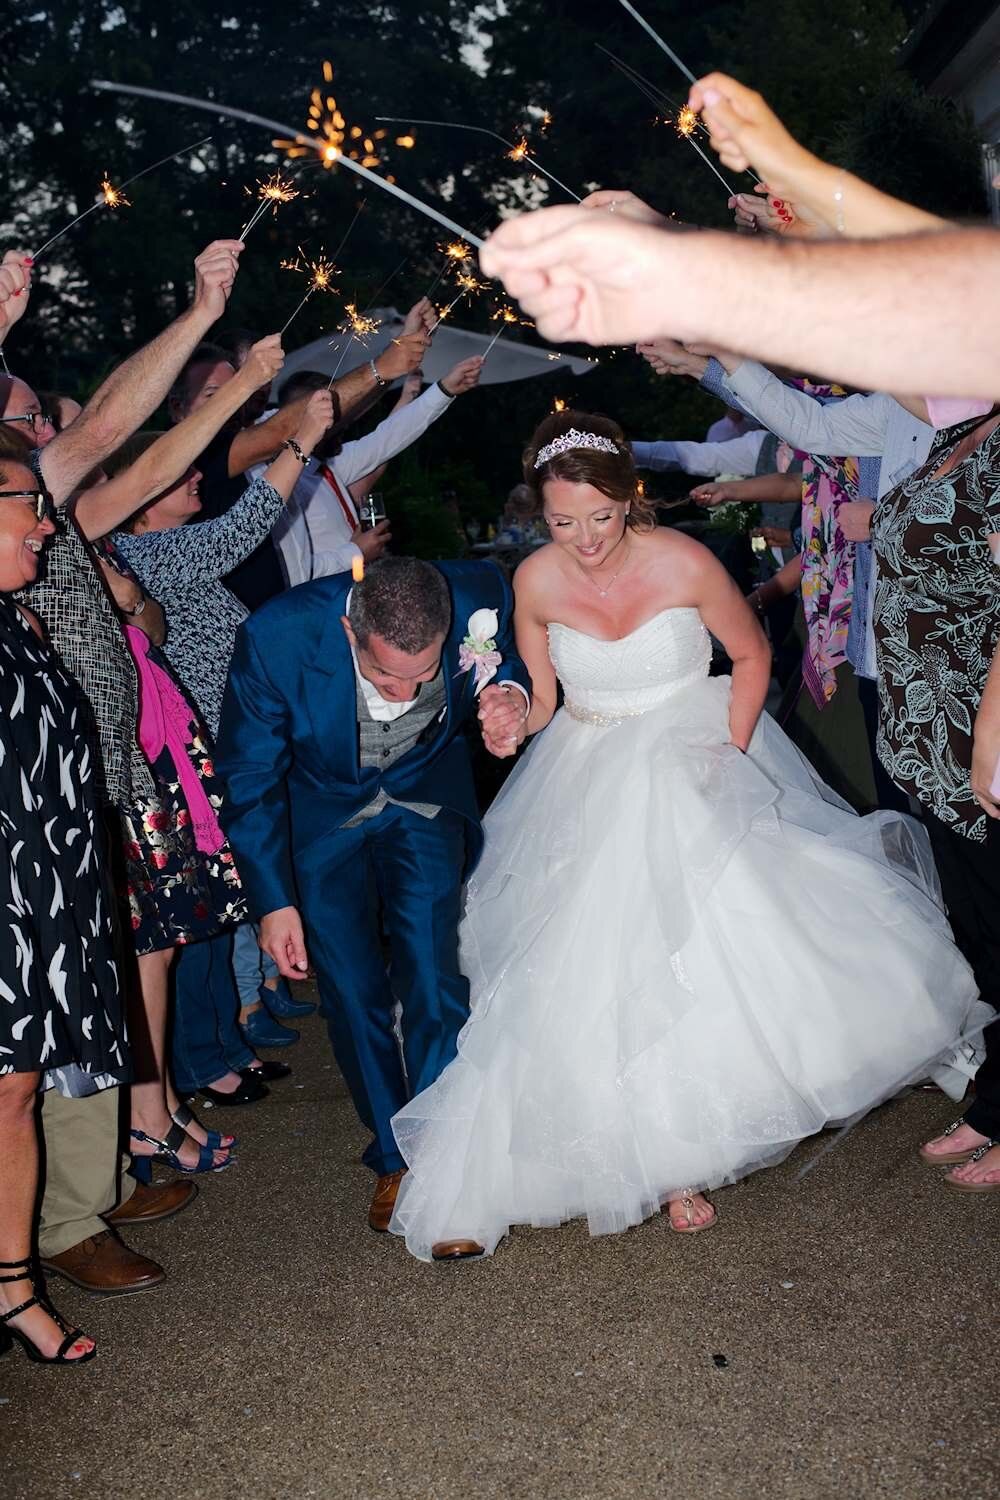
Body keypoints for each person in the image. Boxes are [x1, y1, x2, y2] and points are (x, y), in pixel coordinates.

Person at [387, 413, 989, 1263]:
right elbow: (543, 699)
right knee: (594, 967)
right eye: (563, 523)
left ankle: (697, 1141)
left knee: (713, 955)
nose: (585, 540)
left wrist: (727, 754)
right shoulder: (533, 581)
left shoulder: (685, 561)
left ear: (629, 498)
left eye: (599, 517)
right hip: (586, 772)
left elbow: (749, 659)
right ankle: (665, 1166)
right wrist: (511, 713)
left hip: (692, 756)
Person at [215, 555, 532, 1233]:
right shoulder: (277, 637)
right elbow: (248, 777)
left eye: (422, 676)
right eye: (385, 674)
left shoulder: (481, 592)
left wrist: (511, 692)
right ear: (348, 629)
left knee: (430, 971)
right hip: (321, 815)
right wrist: (273, 903)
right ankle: (394, 1157)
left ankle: (443, 1161)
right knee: (351, 993)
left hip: (422, 798)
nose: (401, 694)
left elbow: (515, 661)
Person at [110, 388, 338, 1061]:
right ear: (140, 492)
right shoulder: (143, 553)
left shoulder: (161, 550)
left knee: (222, 909)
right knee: (204, 922)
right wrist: (300, 445)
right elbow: (242, 529)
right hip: (192, 757)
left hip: (216, 748)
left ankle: (223, 1043)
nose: (197, 477)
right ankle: (213, 1050)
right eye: (177, 473)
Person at [0, 454, 128, 1363]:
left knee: (12, 1092)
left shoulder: (17, 618)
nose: (47, 524)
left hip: (36, 897)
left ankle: (12, 1289)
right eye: (30, 507)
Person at [871, 411, 1000, 1190]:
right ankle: (995, 1101)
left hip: (979, 724)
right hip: (932, 734)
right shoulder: (966, 432)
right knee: (984, 929)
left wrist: (990, 728)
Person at [168, 300, 433, 609]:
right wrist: (382, 367)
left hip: (290, 607)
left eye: (235, 393)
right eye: (214, 396)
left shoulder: (246, 434)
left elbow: (329, 418)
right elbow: (284, 430)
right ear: (177, 408)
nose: (232, 404)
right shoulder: (191, 455)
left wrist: (390, 366)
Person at [259, 354, 483, 587]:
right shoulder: (282, 484)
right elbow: (291, 571)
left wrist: (445, 389)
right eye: (336, 418)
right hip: (318, 606)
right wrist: (355, 552)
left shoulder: (327, 465)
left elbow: (388, 438)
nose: (344, 424)